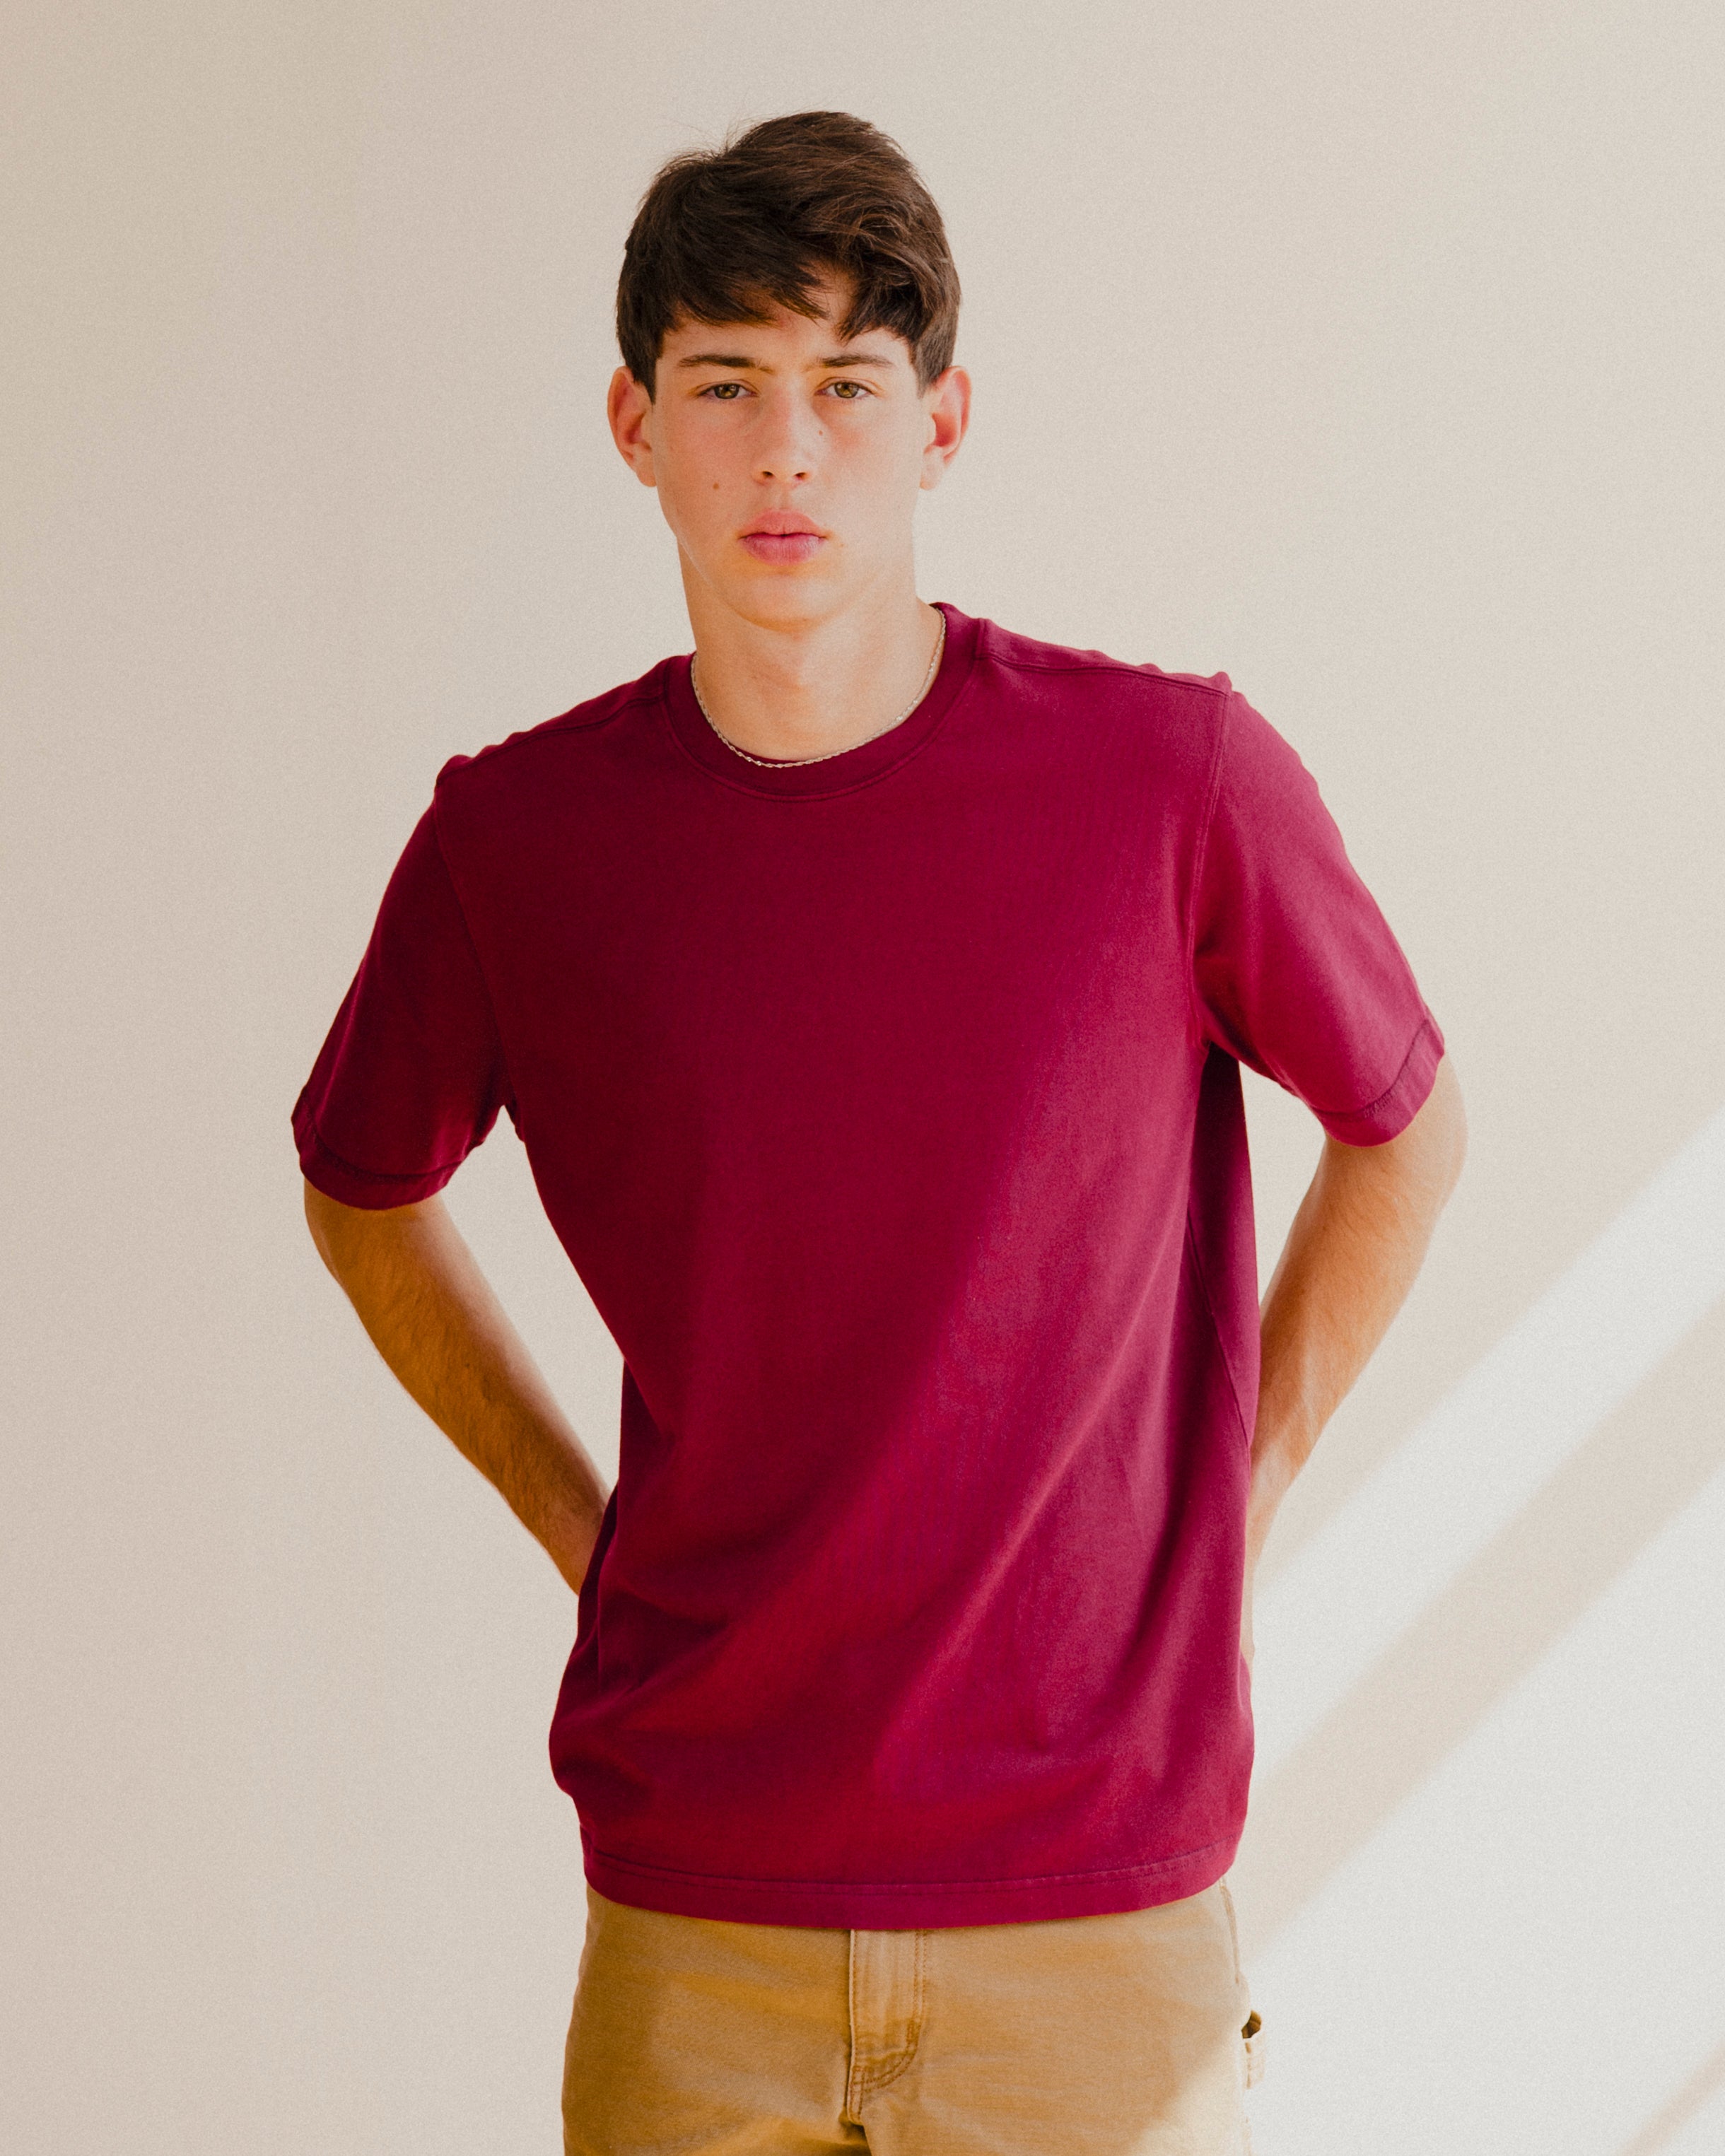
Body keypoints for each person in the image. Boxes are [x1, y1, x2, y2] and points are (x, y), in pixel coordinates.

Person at [293, 108, 1466, 2155]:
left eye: (845, 385)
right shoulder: (520, 844)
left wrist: (1237, 1476)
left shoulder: (1168, 783)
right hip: (697, 1915)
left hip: (1097, 1913)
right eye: (726, 386)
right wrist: (595, 1535)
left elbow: (1411, 1127)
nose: (786, 450)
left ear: (942, 424)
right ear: (632, 425)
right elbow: (362, 1188)